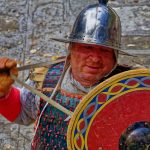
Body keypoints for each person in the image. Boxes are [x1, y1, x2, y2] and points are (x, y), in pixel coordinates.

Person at [0, 0, 133, 149]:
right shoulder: (46, 77)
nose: (95, 58)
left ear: (115, 56)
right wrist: (3, 94)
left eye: (104, 50)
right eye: (87, 47)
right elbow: (22, 112)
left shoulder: (131, 88)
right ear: (71, 49)